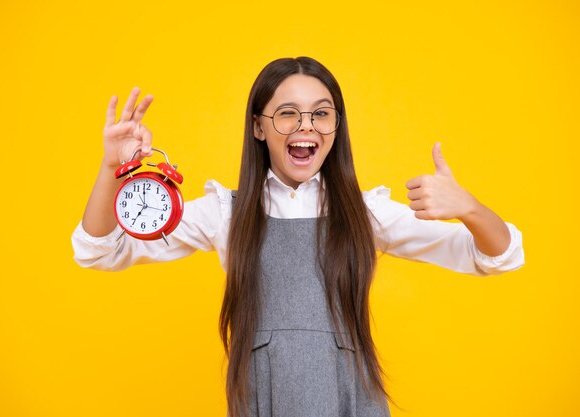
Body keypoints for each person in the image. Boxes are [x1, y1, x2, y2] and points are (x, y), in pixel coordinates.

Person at [71, 57, 525, 417]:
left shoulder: (365, 214)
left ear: (335, 126)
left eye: (321, 114)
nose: (306, 126)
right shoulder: (225, 214)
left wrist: (469, 208)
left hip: (351, 401)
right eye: (288, 114)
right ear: (258, 126)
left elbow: (497, 255)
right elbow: (100, 250)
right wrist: (113, 169)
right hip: (262, 400)